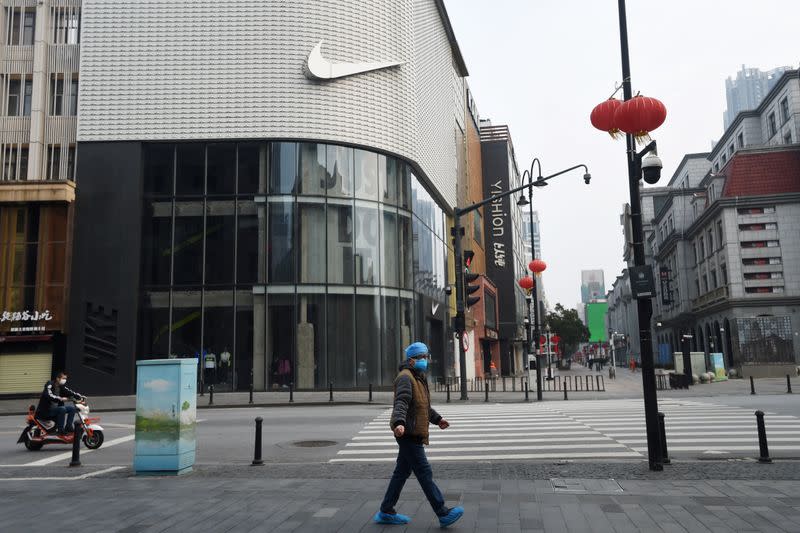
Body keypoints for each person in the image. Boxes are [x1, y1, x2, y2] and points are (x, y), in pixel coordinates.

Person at [373, 342, 464, 528]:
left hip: (411, 431)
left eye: (426, 356)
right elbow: (402, 402)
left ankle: (386, 510)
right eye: (421, 357)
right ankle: (442, 512)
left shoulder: (418, 377)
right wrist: (399, 423)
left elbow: (422, 406)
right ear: (412, 359)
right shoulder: (406, 377)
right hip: (407, 432)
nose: (425, 360)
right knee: (424, 472)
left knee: (402, 472)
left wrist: (438, 419)